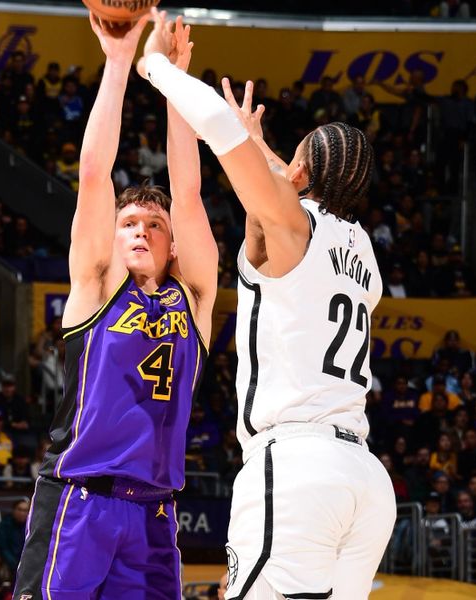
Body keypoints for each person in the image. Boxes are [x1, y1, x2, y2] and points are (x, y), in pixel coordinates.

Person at [142, 9, 395, 597]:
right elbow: (300, 191)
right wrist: (267, 154)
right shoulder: (367, 258)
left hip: (298, 466)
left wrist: (155, 64)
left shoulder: (292, 225)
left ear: (300, 172)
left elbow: (221, 134)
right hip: (364, 478)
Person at [14, 13, 216, 600]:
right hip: (80, 498)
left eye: (154, 224)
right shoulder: (97, 287)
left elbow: (190, 191)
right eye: (128, 222)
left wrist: (176, 82)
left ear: (173, 241)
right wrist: (119, 59)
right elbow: (94, 174)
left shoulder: (193, 297)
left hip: (154, 513)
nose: (139, 230)